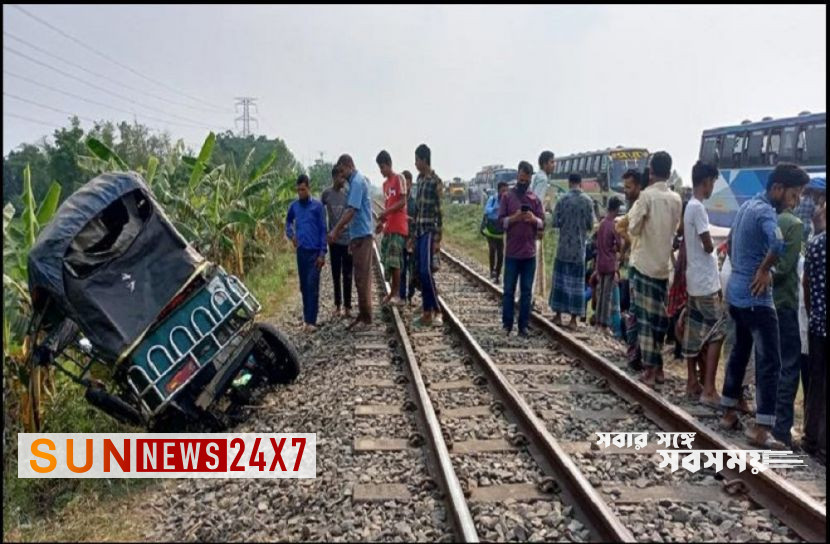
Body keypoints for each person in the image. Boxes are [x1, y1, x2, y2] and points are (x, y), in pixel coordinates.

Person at [720, 163, 810, 449]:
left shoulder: (747, 207)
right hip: (758, 299)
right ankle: (762, 427)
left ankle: (728, 411)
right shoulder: (766, 212)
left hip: (736, 293)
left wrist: (745, 268)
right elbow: (779, 243)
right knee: (771, 361)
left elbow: (732, 239)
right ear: (778, 189)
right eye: (794, 195)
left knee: (740, 351)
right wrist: (763, 270)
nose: (795, 202)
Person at [627, 151, 682, 386]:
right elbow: (675, 228)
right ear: (669, 173)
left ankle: (649, 369)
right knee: (660, 319)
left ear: (650, 172)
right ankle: (658, 368)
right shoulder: (676, 199)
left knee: (645, 320)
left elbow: (634, 228)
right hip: (663, 267)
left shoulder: (646, 197)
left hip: (642, 265)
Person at [682, 161, 725, 407]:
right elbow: (707, 245)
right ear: (706, 181)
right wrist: (718, 246)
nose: (712, 188)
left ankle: (691, 381)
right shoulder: (699, 209)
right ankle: (708, 389)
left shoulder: (689, 206)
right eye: (712, 183)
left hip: (693, 280)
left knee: (693, 329)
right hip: (706, 282)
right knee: (718, 331)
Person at [770, 183, 805, 447]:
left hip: (767, 303)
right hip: (785, 303)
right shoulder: (794, 225)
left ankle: (767, 418)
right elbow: (784, 268)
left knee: (770, 362)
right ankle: (782, 428)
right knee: (789, 366)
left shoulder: (767, 217)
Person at [328, 155, 375, 330]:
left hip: (363, 236)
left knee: (362, 278)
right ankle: (363, 315)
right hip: (358, 236)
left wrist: (336, 230)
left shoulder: (356, 182)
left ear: (348, 166)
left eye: (341, 171)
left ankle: (367, 319)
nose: (341, 175)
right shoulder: (354, 182)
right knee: (359, 277)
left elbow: (351, 211)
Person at [499, 161, 544, 337]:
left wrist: (534, 219)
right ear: (518, 175)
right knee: (508, 290)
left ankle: (523, 325)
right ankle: (507, 324)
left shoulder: (534, 199)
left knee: (526, 292)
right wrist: (515, 217)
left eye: (527, 178)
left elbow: (543, 223)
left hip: (529, 253)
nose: (524, 181)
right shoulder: (507, 197)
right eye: (522, 177)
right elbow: (500, 222)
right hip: (511, 253)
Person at [549, 173, 595, 330]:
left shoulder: (562, 200)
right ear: (580, 183)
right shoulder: (588, 201)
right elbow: (590, 225)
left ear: (569, 183)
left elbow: (554, 222)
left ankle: (557, 316)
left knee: (560, 283)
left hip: (563, 248)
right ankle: (574, 320)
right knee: (577, 285)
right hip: (579, 249)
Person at [285, 174, 327, 332]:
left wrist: (322, 253)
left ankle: (311, 321)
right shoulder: (294, 206)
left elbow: (323, 230)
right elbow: (288, 222)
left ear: (308, 188)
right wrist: (291, 235)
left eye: (303, 190)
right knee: (304, 286)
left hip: (315, 253)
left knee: (312, 285)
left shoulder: (317, 207)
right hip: (301, 252)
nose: (300, 193)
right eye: (298, 190)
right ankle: (306, 319)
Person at [802, 204, 826, 464]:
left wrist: (812, 313)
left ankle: (810, 439)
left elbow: (806, 283)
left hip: (817, 323)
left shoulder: (815, 244)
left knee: (815, 381)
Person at [410, 144, 443, 328]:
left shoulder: (435, 181)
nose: (415, 163)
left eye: (416, 160)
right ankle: (426, 312)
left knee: (426, 272)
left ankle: (437, 311)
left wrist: (438, 239)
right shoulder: (420, 180)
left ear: (423, 160)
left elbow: (440, 212)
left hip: (430, 231)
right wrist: (413, 235)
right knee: (421, 273)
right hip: (420, 231)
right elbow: (416, 210)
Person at [617, 169, 646, 371]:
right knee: (636, 311)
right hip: (636, 263)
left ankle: (636, 355)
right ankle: (636, 355)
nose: (625, 191)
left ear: (638, 186)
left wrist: (630, 242)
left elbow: (621, 227)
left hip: (642, 264)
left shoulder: (640, 204)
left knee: (638, 311)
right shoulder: (635, 205)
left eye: (628, 187)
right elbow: (619, 227)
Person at [375, 150, 408, 306]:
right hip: (389, 226)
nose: (381, 171)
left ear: (389, 164)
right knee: (388, 259)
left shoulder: (399, 178)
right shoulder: (385, 185)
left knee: (395, 261)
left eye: (382, 167)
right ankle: (393, 292)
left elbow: (402, 201)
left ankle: (396, 294)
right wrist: (382, 222)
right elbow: (388, 205)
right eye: (379, 168)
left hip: (399, 226)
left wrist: (386, 212)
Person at [321, 166, 352, 318]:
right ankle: (338, 305)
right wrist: (325, 232)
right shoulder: (326, 194)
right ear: (334, 177)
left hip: (346, 240)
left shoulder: (347, 194)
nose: (343, 180)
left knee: (347, 274)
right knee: (335, 274)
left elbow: (351, 215)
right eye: (340, 177)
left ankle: (348, 306)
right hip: (333, 242)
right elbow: (320, 212)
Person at [593, 196, 623, 334]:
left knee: (600, 292)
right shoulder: (613, 226)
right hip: (610, 263)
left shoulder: (602, 224)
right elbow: (619, 244)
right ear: (616, 209)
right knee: (607, 295)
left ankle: (598, 321)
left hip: (600, 263)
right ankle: (604, 324)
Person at [531, 150, 555, 299]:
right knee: (533, 260)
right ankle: (530, 297)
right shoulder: (542, 179)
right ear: (545, 163)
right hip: (535, 225)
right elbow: (537, 202)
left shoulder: (536, 176)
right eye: (552, 162)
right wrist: (542, 221)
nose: (554, 165)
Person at [482, 181, 509, 282]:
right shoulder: (492, 199)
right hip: (491, 229)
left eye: (507, 191)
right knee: (492, 250)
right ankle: (492, 271)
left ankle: (497, 273)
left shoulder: (507, 201)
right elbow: (486, 210)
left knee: (501, 253)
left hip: (500, 231)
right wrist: (495, 208)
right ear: (498, 191)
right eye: (503, 190)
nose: (505, 193)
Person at [399, 170, 417, 304]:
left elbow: (417, 221)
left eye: (407, 182)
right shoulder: (399, 202)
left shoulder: (414, 202)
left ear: (411, 183)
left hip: (412, 239)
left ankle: (410, 293)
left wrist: (413, 238)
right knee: (401, 269)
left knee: (412, 269)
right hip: (400, 239)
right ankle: (402, 295)